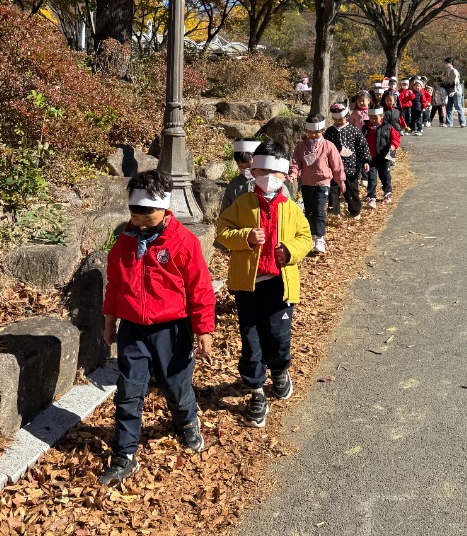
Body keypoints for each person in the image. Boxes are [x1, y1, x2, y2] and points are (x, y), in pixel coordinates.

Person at [101, 171, 215, 485]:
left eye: (146, 213)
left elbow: (200, 288)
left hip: (172, 329)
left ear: (164, 207)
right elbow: (115, 284)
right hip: (133, 329)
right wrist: (110, 319)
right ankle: (124, 455)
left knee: (176, 385)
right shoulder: (124, 241)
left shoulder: (182, 242)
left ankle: (188, 421)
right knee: (128, 390)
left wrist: (204, 329)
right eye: (134, 213)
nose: (139, 220)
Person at [216, 141, 312, 428]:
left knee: (278, 336)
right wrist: (245, 236)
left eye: (273, 171)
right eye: (261, 169)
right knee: (250, 338)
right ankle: (256, 390)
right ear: (252, 169)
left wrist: (290, 251)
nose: (267, 175)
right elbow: (223, 230)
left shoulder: (292, 208)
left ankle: (280, 371)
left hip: (279, 285)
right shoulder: (242, 202)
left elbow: (305, 238)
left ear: (284, 174)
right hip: (248, 285)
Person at [289, 113, 346, 254]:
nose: (313, 135)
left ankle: (320, 237)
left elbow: (337, 165)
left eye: (316, 132)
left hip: (323, 182)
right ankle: (310, 236)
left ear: (322, 131)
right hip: (307, 183)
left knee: (320, 210)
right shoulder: (301, 147)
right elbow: (296, 162)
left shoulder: (328, 146)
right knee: (309, 211)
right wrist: (293, 174)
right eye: (310, 132)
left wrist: (341, 181)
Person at [325, 102, 371, 220]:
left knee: (351, 191)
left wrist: (365, 160)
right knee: (333, 191)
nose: (338, 121)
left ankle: (355, 211)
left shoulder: (354, 131)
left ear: (347, 117)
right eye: (335, 119)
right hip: (333, 168)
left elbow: (362, 146)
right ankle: (334, 213)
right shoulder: (329, 132)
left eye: (341, 119)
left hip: (351, 167)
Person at [363, 108, 401, 208]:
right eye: (371, 117)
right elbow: (362, 141)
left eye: (375, 117)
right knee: (371, 178)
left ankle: (387, 192)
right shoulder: (366, 128)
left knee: (385, 176)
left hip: (384, 157)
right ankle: (371, 196)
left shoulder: (388, 127)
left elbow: (396, 138)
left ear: (382, 116)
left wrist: (393, 145)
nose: (373, 120)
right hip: (371, 157)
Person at [220, 139, 263, 213]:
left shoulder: (267, 183)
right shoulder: (234, 184)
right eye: (241, 167)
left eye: (249, 166)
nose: (245, 170)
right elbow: (225, 211)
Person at [381, 89, 405, 166]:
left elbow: (401, 119)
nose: (389, 101)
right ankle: (385, 157)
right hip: (385, 129)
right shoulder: (382, 110)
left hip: (395, 129)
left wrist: (404, 126)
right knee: (386, 144)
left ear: (394, 100)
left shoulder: (397, 110)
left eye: (390, 100)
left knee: (393, 144)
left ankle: (392, 158)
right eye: (387, 99)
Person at [443, 58, 467, 128]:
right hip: (450, 91)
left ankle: (463, 122)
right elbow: (447, 82)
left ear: (450, 63)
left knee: (458, 106)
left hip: (456, 91)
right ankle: (449, 122)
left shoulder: (454, 71)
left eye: (446, 63)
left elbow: (456, 82)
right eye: (445, 63)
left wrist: (454, 91)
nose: (445, 64)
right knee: (449, 107)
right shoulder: (446, 71)